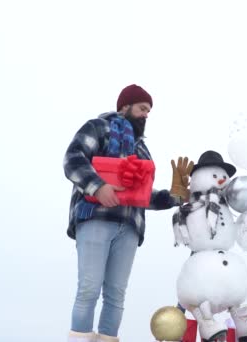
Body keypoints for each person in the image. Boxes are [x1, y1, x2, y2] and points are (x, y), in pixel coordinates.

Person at [63, 84, 192, 342]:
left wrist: (175, 196)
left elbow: (144, 197)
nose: (146, 114)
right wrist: (98, 187)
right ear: (125, 106)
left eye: (149, 111)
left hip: (129, 227)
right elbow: (73, 158)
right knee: (89, 288)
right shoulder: (99, 128)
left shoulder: (141, 150)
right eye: (143, 108)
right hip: (96, 217)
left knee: (116, 294)